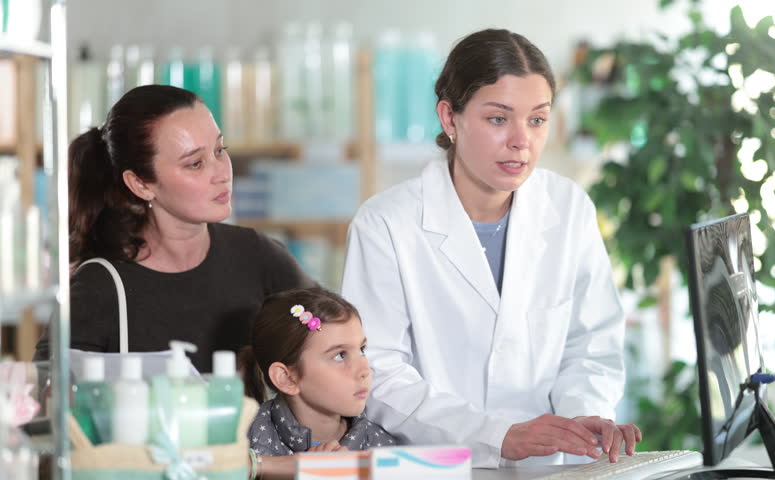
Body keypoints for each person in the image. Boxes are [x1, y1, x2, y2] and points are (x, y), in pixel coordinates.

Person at [341, 28, 641, 468]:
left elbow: (591, 345)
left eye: (537, 119)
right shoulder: (386, 223)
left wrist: (584, 420)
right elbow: (378, 374)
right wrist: (497, 435)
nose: (521, 140)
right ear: (450, 119)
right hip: (442, 467)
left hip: (554, 469)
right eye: (498, 119)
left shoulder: (568, 207)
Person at [34, 85, 313, 372]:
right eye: (195, 164)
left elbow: (322, 331)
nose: (221, 173)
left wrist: (312, 329)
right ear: (141, 184)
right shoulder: (102, 286)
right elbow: (45, 395)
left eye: (220, 150)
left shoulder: (257, 257)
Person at [240, 287, 397, 477]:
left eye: (362, 349)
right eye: (339, 355)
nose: (365, 370)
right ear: (286, 378)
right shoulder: (241, 440)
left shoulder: (381, 447)